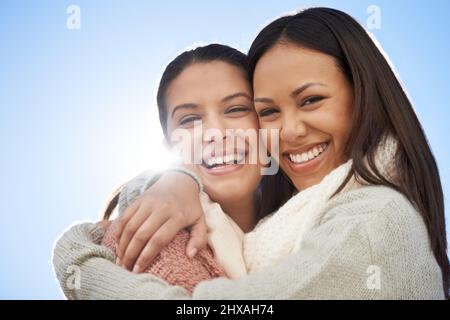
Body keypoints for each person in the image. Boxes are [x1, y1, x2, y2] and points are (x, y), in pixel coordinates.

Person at [53, 7, 448, 299]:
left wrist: (74, 257)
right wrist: (175, 179)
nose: (216, 133)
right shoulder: (256, 233)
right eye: (189, 120)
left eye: (238, 109)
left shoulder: (371, 218)